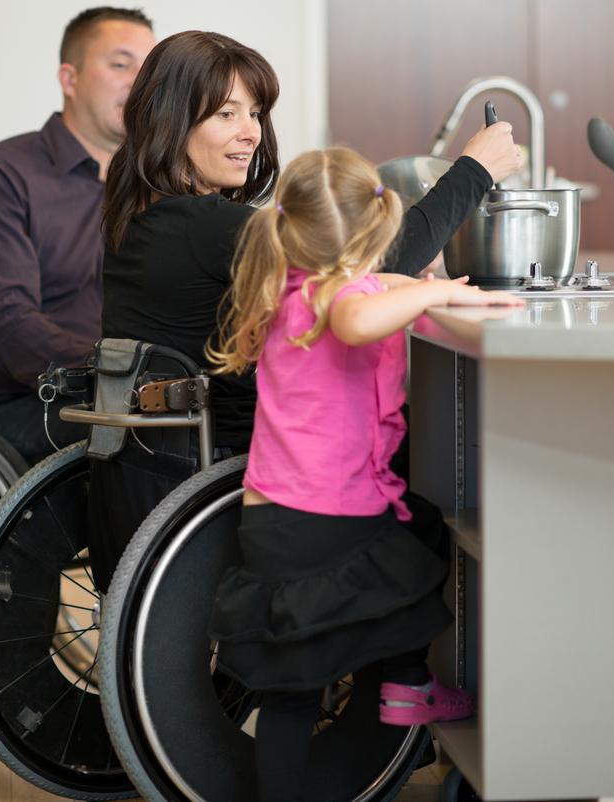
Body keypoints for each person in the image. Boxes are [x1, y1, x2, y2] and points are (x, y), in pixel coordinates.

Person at [92, 29, 522, 591]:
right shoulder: (206, 225)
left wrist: (382, 279)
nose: (250, 133)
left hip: (161, 454)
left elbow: (343, 270)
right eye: (226, 115)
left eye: (255, 112)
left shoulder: (144, 216)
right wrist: (474, 170)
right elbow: (372, 254)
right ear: (171, 121)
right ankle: (405, 665)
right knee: (445, 458)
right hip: (251, 460)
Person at [205, 147, 522, 802]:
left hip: (283, 518)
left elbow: (376, 288)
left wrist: (438, 291)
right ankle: (406, 683)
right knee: (401, 572)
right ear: (372, 232)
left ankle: (407, 684)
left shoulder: (294, 284)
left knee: (304, 681)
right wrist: (435, 288)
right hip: (320, 517)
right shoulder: (338, 301)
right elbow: (356, 316)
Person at [0, 6, 156, 463]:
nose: (139, 82)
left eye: (149, 68)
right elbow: (5, 325)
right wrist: (118, 373)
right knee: (151, 441)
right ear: (69, 77)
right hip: (6, 408)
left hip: (117, 395)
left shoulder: (155, 190)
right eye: (121, 64)